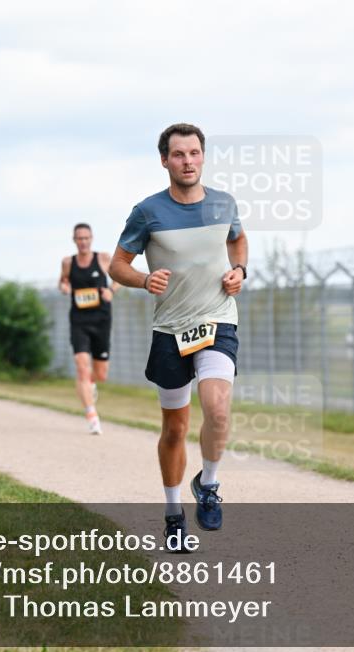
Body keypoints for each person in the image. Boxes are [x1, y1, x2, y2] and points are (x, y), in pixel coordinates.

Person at [109, 123, 247, 551]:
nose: (188, 162)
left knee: (218, 409)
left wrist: (239, 271)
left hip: (218, 319)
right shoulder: (147, 211)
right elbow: (117, 265)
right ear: (164, 160)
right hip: (171, 330)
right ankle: (173, 515)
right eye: (179, 155)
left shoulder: (224, 203)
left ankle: (208, 483)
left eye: (194, 153)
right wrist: (143, 279)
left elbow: (238, 242)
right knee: (175, 427)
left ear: (203, 157)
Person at [59, 223, 119, 434]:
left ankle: (90, 386)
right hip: (79, 320)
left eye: (86, 238)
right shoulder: (68, 262)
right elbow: (63, 281)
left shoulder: (102, 258)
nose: (83, 242)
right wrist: (65, 287)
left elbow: (118, 277)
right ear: (74, 240)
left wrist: (111, 290)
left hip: (101, 319)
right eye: (79, 238)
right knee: (82, 366)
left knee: (100, 374)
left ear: (91, 238)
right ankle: (92, 415)